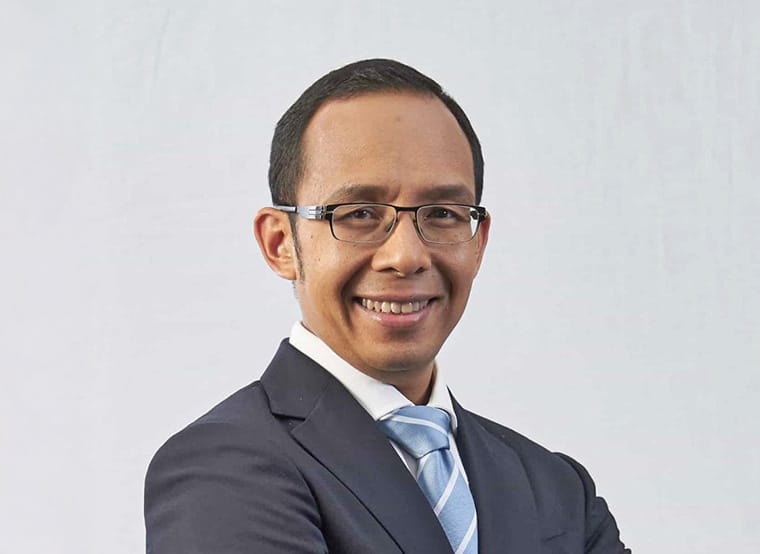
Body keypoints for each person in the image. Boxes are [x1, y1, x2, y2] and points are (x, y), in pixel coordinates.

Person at [144, 58, 631, 553]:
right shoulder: (222, 470)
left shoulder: (556, 489)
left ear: (478, 242)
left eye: (442, 213)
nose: (406, 256)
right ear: (280, 243)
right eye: (358, 213)